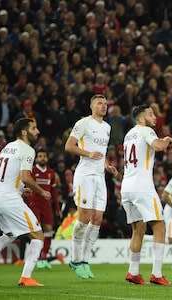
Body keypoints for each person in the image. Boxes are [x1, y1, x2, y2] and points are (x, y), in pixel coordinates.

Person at [0, 118, 51, 287]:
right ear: (24, 132)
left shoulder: (8, 147)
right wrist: (41, 191)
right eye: (34, 128)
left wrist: (19, 189)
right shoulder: (27, 149)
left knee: (10, 235)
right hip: (8, 199)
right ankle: (26, 277)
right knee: (38, 235)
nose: (37, 131)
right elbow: (26, 177)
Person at [65, 94, 118, 279]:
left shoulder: (107, 127)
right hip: (85, 176)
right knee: (84, 217)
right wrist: (87, 153)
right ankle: (75, 259)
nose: (103, 106)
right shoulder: (83, 123)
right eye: (99, 103)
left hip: (99, 177)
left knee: (97, 219)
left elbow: (101, 153)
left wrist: (107, 165)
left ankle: (85, 261)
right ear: (91, 105)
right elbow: (69, 146)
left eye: (105, 103)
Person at [121, 104, 172, 286]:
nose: (155, 117)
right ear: (141, 118)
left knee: (138, 229)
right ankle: (157, 274)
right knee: (159, 225)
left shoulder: (129, 134)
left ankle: (133, 271)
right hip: (142, 187)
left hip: (126, 187)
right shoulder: (145, 130)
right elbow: (158, 146)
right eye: (151, 114)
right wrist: (166, 140)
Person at [27, 148, 64, 269]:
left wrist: (57, 208)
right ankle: (34, 257)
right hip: (34, 205)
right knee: (36, 231)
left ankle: (43, 257)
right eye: (40, 156)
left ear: (47, 158)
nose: (42, 158)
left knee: (48, 230)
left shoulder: (51, 173)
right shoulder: (31, 171)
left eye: (44, 156)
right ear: (36, 158)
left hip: (47, 206)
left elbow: (53, 191)